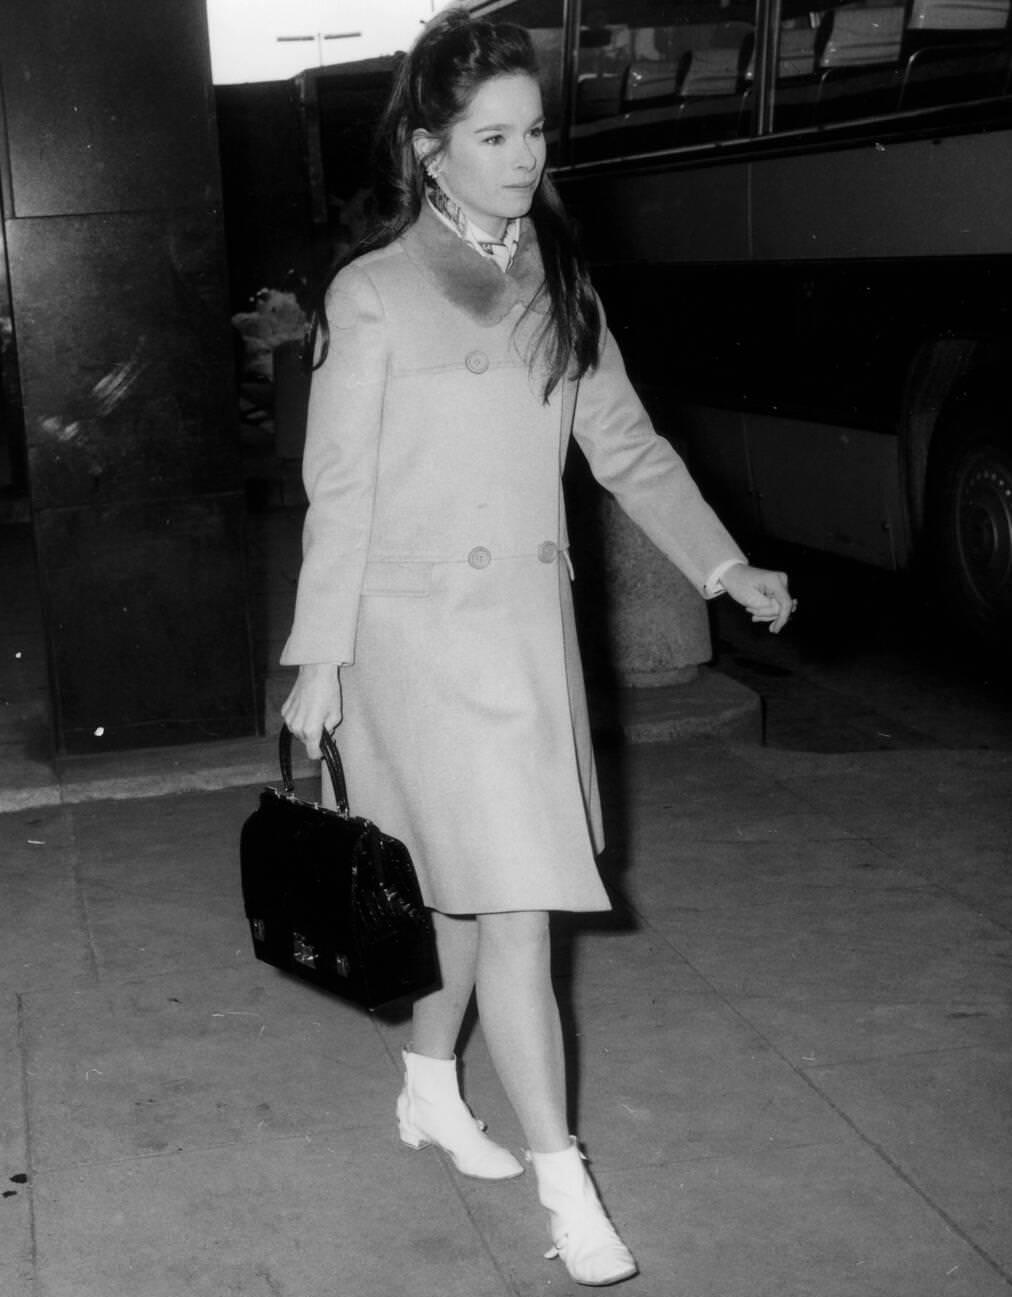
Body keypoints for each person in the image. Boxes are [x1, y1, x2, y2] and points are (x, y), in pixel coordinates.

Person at [281, 8, 794, 1287]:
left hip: (522, 640)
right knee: (505, 907)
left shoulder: (562, 283)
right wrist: (317, 657)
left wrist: (723, 564)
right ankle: (568, 1187)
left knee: (468, 895)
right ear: (430, 148)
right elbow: (336, 491)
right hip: (408, 646)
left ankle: (425, 1088)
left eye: (535, 132)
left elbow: (625, 447)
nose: (525, 158)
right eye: (495, 135)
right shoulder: (373, 291)